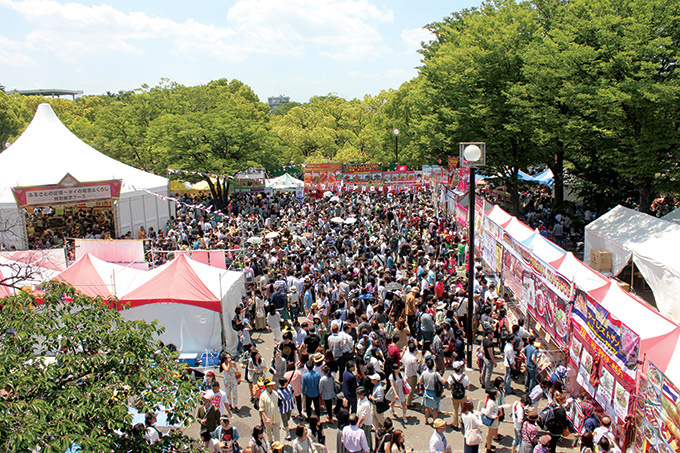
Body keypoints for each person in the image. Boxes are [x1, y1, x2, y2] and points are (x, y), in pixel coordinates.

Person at [420, 357, 445, 425]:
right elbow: (443, 382)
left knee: (427, 407)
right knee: (435, 408)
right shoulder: (436, 374)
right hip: (434, 392)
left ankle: (426, 419)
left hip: (427, 391)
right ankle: (434, 421)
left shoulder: (424, 373)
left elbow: (420, 382)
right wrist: (443, 378)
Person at [447, 360, 470, 430]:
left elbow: (450, 387)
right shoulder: (465, 377)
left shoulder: (451, 377)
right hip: (463, 395)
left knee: (455, 410)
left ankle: (455, 424)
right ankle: (462, 422)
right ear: (460, 368)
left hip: (454, 396)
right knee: (463, 409)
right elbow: (468, 387)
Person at [259, 378, 281, 443]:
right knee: (269, 432)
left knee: (277, 432)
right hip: (268, 418)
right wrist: (266, 418)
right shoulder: (263, 396)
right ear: (266, 387)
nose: (272, 386)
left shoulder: (275, 393)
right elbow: (261, 409)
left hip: (276, 416)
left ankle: (277, 444)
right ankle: (270, 442)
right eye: (270, 385)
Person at [481, 388, 500, 453]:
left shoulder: (494, 401)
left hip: (494, 420)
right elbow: (487, 413)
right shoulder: (491, 403)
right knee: (490, 434)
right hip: (492, 421)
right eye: (497, 393)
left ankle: (488, 444)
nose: (498, 394)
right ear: (494, 395)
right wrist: (494, 416)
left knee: (490, 434)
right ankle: (488, 449)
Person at [357, 387, 374, 452]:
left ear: (362, 395)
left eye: (358, 394)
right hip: (361, 422)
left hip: (366, 423)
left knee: (366, 436)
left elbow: (363, 416)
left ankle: (368, 449)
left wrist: (359, 423)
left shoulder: (366, 404)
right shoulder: (360, 400)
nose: (357, 395)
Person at [403, 342, 419, 407]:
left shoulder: (406, 355)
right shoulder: (413, 358)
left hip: (406, 373)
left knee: (406, 388)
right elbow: (416, 369)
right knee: (411, 390)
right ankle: (408, 403)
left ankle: (405, 400)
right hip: (412, 375)